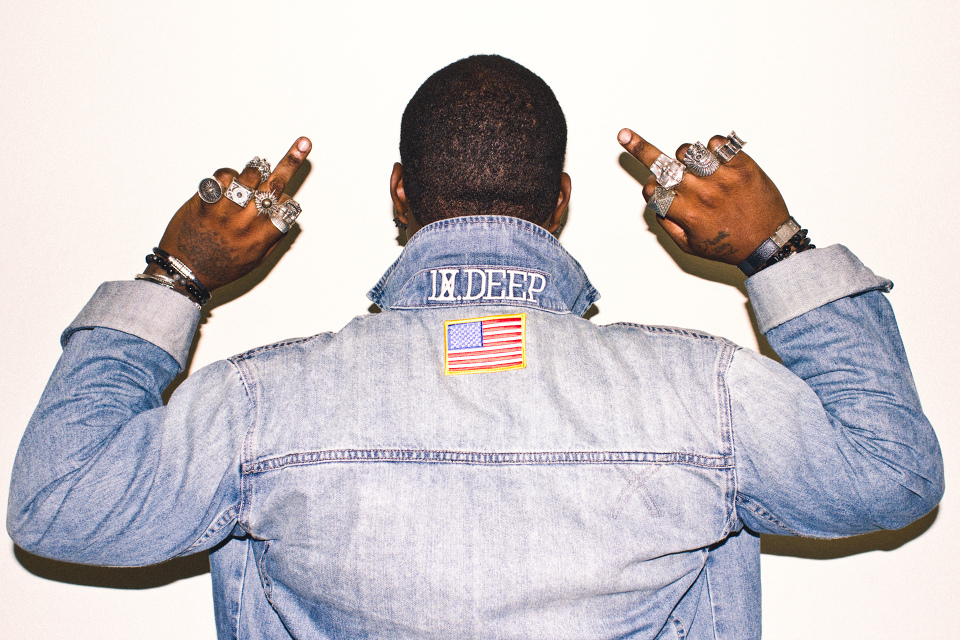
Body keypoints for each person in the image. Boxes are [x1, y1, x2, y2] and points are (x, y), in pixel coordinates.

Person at [7, 55, 943, 639]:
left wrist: (178, 274)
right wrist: (775, 248)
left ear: (399, 194)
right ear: (562, 200)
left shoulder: (259, 406)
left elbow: (57, 506)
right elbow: (892, 472)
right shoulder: (705, 395)